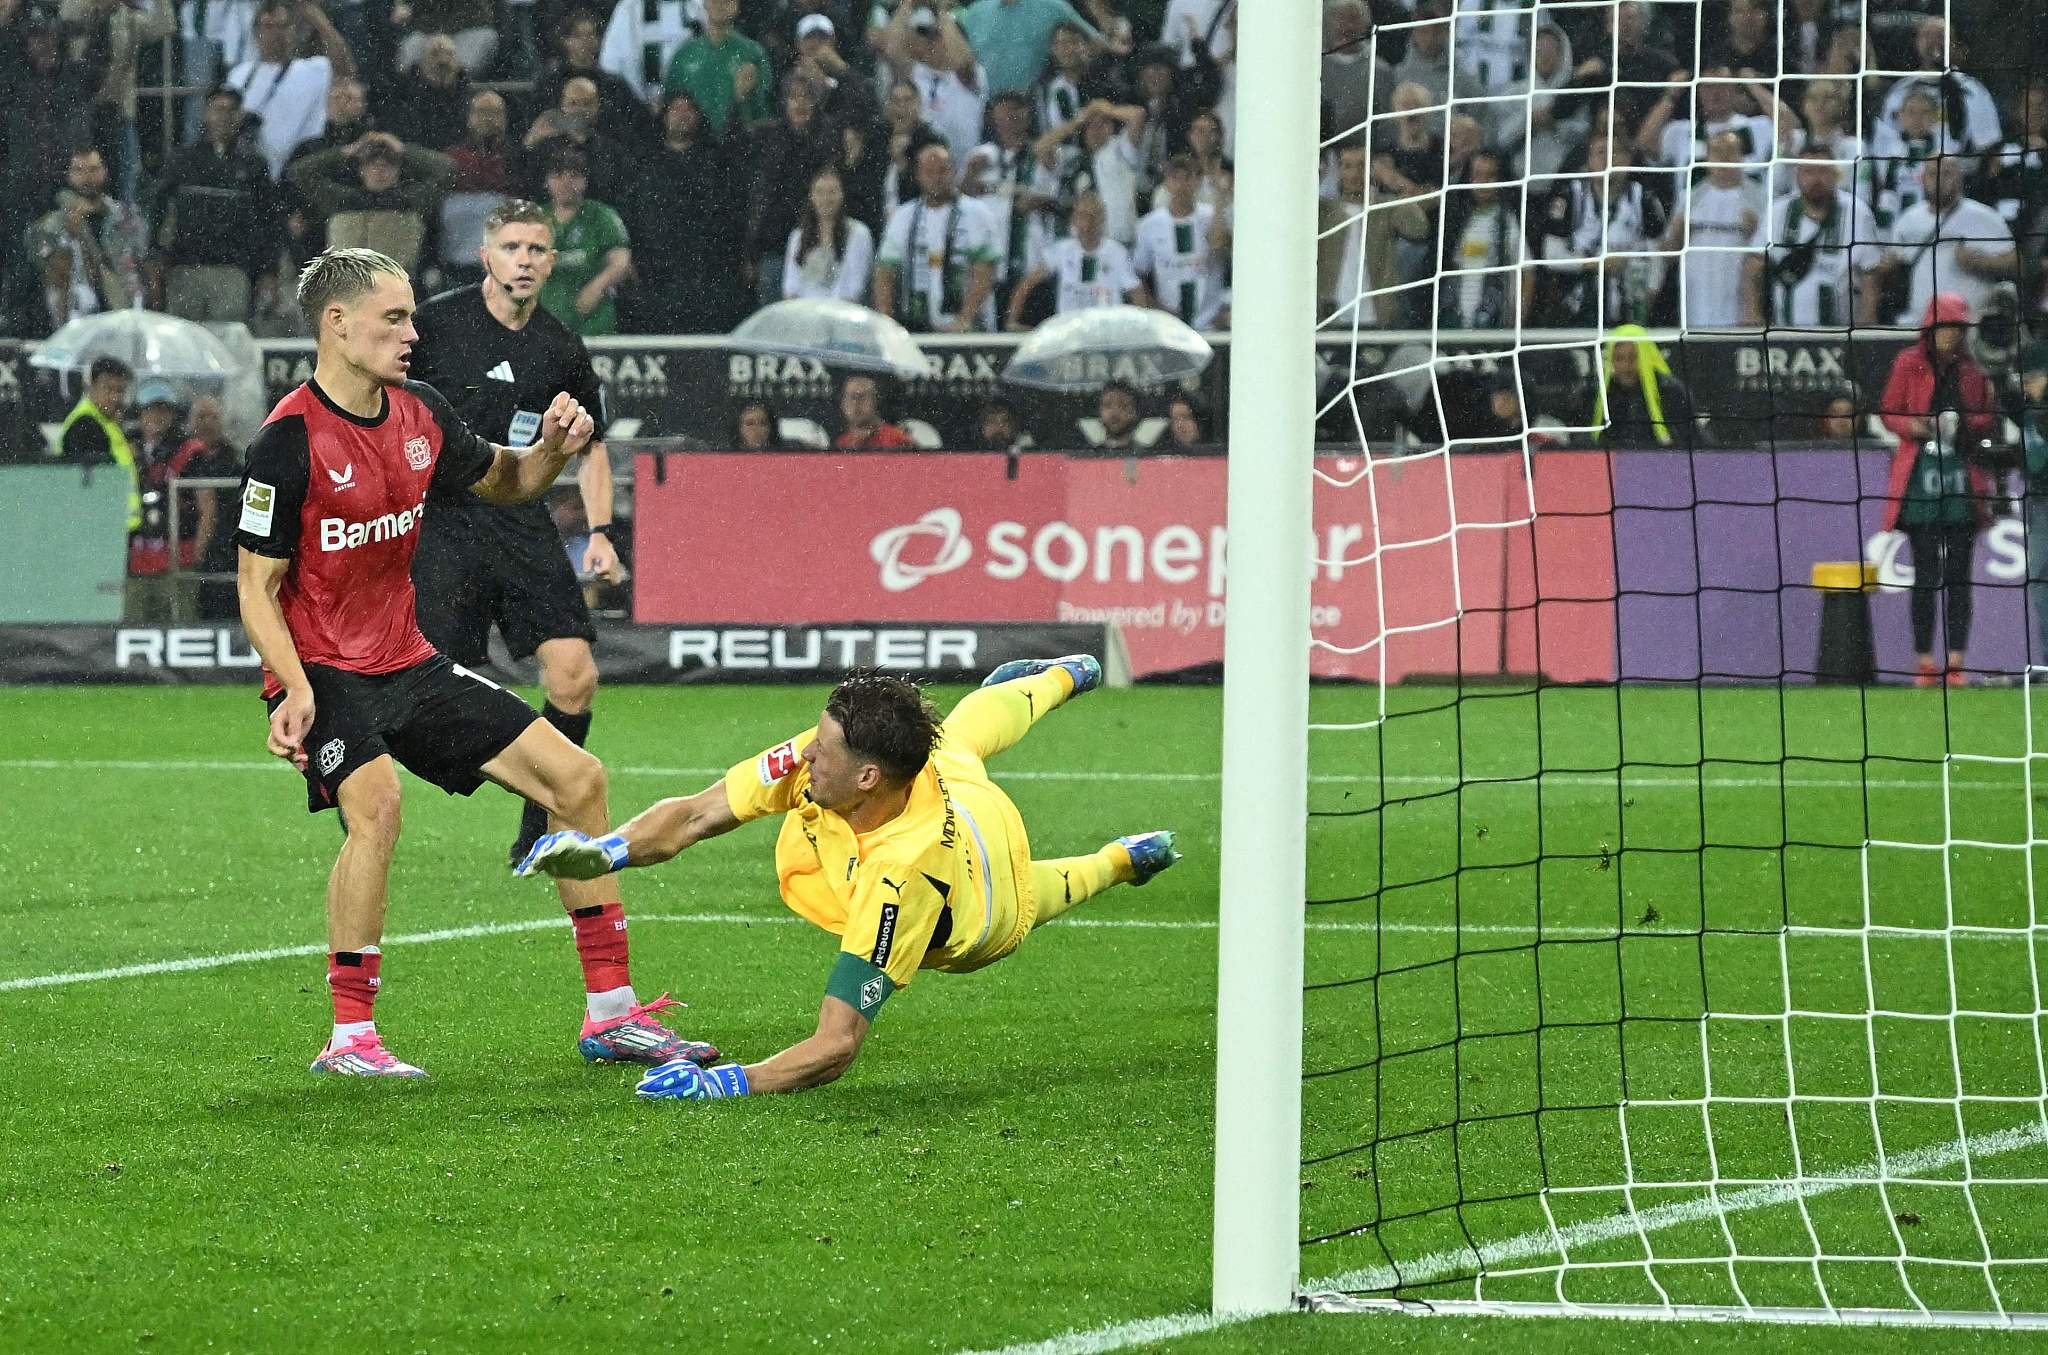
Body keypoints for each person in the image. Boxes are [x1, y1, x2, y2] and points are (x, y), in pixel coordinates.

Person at [233, 245, 711, 1076]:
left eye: (413, 316)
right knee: (376, 805)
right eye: (394, 317)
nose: (413, 332)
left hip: (408, 662)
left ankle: (611, 1015)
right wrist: (295, 687)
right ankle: (350, 1038)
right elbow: (256, 583)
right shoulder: (287, 441)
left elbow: (509, 479)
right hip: (326, 673)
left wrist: (557, 448)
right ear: (336, 324)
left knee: (579, 780)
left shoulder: (420, 413)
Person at [513, 661, 1181, 1099]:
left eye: (822, 750)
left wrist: (727, 1083)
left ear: (866, 776)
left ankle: (1120, 860)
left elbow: (835, 1046)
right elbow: (696, 813)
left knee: (1048, 890)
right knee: (962, 729)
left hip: (984, 902)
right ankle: (1065, 673)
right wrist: (605, 853)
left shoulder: (902, 873)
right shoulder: (841, 758)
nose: (805, 754)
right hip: (946, 785)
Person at [409, 199, 624, 864]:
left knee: (574, 677)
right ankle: (346, 767)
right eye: (512, 248)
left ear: (552, 262)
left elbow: (590, 446)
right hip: (444, 520)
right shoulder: (436, 325)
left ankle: (541, 828)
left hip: (521, 520)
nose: (524, 261)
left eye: (536, 250)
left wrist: (602, 531)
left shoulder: (559, 345)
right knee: (417, 696)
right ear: (486, 256)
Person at [1878, 293, 2000, 686]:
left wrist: (1969, 422)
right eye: (1947, 326)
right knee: (1926, 574)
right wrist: (1913, 427)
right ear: (1931, 328)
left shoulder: (1971, 369)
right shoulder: (1907, 363)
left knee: (1960, 575)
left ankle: (1957, 663)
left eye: (1958, 328)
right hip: (1920, 479)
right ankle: (1925, 662)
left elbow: (1984, 417)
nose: (1952, 335)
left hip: (1962, 480)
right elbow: (1889, 409)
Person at [624, 92, 748, 334]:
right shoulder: (645, 162)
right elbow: (631, 213)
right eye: (676, 109)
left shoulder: (718, 162)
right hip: (658, 271)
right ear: (664, 116)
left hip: (709, 270)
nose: (683, 115)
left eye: (689, 110)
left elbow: (734, 213)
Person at [155, 85, 281, 321]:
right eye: (218, 109)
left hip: (233, 270)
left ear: (239, 116)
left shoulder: (254, 166)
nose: (224, 116)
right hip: (185, 269)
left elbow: (269, 222)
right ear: (206, 113)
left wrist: (269, 270)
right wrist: (156, 259)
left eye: (231, 110)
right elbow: (159, 212)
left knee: (228, 343)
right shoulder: (182, 160)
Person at [1876, 156, 2018, 330]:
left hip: (1970, 325)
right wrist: (1888, 268)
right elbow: (1895, 266)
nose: (1938, 180)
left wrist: (1981, 262)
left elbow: (2017, 263)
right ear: (1921, 178)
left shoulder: (1984, 216)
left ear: (1960, 178)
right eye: (1932, 174)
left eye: (1947, 174)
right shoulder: (1908, 219)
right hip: (1920, 324)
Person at [225, 0, 356, 180]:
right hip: (254, 176)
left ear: (293, 31)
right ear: (256, 33)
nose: (276, 33)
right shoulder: (239, 75)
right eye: (269, 26)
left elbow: (345, 67)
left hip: (300, 171)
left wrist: (313, 15)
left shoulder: (315, 68)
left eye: (283, 26)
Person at [875, 142, 999, 332]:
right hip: (915, 324)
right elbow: (885, 273)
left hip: (968, 327)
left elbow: (985, 271)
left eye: (942, 171)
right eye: (929, 172)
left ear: (954, 172)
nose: (936, 178)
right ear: (918, 176)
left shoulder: (977, 213)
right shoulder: (903, 217)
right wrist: (887, 323)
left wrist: (965, 319)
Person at [1744, 160, 1883, 328]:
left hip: (1842, 332)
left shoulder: (1857, 212)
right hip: (1785, 332)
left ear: (1836, 175)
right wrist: (1753, 313)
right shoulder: (1778, 211)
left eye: (1823, 171)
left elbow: (1870, 271)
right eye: (1809, 172)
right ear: (1797, 175)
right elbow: (1754, 264)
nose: (1816, 179)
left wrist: (1866, 323)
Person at [125, 381, 211, 621]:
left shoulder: (190, 451)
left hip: (178, 559)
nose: (156, 416)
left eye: (163, 409)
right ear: (139, 412)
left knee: (180, 624)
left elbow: (208, 509)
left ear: (173, 414)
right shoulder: (128, 447)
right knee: (134, 625)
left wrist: (195, 557)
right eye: (150, 409)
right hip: (137, 559)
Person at [1662, 131, 1765, 331]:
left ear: (1742, 157)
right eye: (1717, 152)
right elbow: (1669, 253)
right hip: (1697, 292)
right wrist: (1677, 233)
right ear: (1707, 158)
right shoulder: (1690, 197)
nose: (1724, 158)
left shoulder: (1759, 196)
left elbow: (1766, 254)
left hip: (1738, 293)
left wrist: (1754, 230)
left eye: (1731, 151)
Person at [1004, 189, 1144, 328]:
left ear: (1102, 219)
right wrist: (1012, 321)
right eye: (1082, 216)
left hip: (1106, 330)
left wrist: (1141, 327)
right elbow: (1027, 284)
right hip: (1070, 330)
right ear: (1074, 219)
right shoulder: (1061, 250)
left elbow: (1135, 292)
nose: (1087, 224)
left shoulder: (1116, 252)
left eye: (1092, 217)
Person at [536, 146, 631, 337]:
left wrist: (597, 286)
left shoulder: (602, 216)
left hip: (594, 321)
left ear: (585, 181)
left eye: (574, 176)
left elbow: (621, 262)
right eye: (558, 176)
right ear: (546, 182)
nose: (566, 182)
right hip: (545, 320)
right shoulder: (534, 218)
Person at [1135, 153, 1227, 329]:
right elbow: (1139, 275)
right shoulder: (1149, 225)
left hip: (1211, 323)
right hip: (1170, 325)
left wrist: (1220, 198)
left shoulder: (1211, 217)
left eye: (1188, 178)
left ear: (1198, 182)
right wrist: (1157, 310)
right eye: (1175, 178)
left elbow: (1219, 244)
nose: (1182, 186)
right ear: (1166, 183)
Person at [662, 0, 773, 138]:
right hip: (696, 148)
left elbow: (766, 108)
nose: (720, 4)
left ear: (736, 5)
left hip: (741, 144)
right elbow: (668, 104)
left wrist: (744, 96)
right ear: (704, 4)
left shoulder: (753, 53)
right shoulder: (685, 54)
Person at [1595, 325, 1697, 449]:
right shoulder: (1600, 395)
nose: (1626, 366)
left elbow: (1688, 437)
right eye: (1619, 358)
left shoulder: (1670, 391)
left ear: (1646, 357)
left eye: (1634, 357)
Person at [784, 167, 875, 302]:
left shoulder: (859, 234)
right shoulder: (797, 236)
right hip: (804, 315)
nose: (825, 198)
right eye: (820, 192)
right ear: (812, 196)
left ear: (842, 195)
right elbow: (790, 288)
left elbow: (855, 290)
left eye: (832, 192)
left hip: (843, 315)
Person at [833, 374, 916, 449]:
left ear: (875, 401)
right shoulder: (841, 444)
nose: (856, 403)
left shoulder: (898, 440)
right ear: (842, 404)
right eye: (851, 397)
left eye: (862, 397)